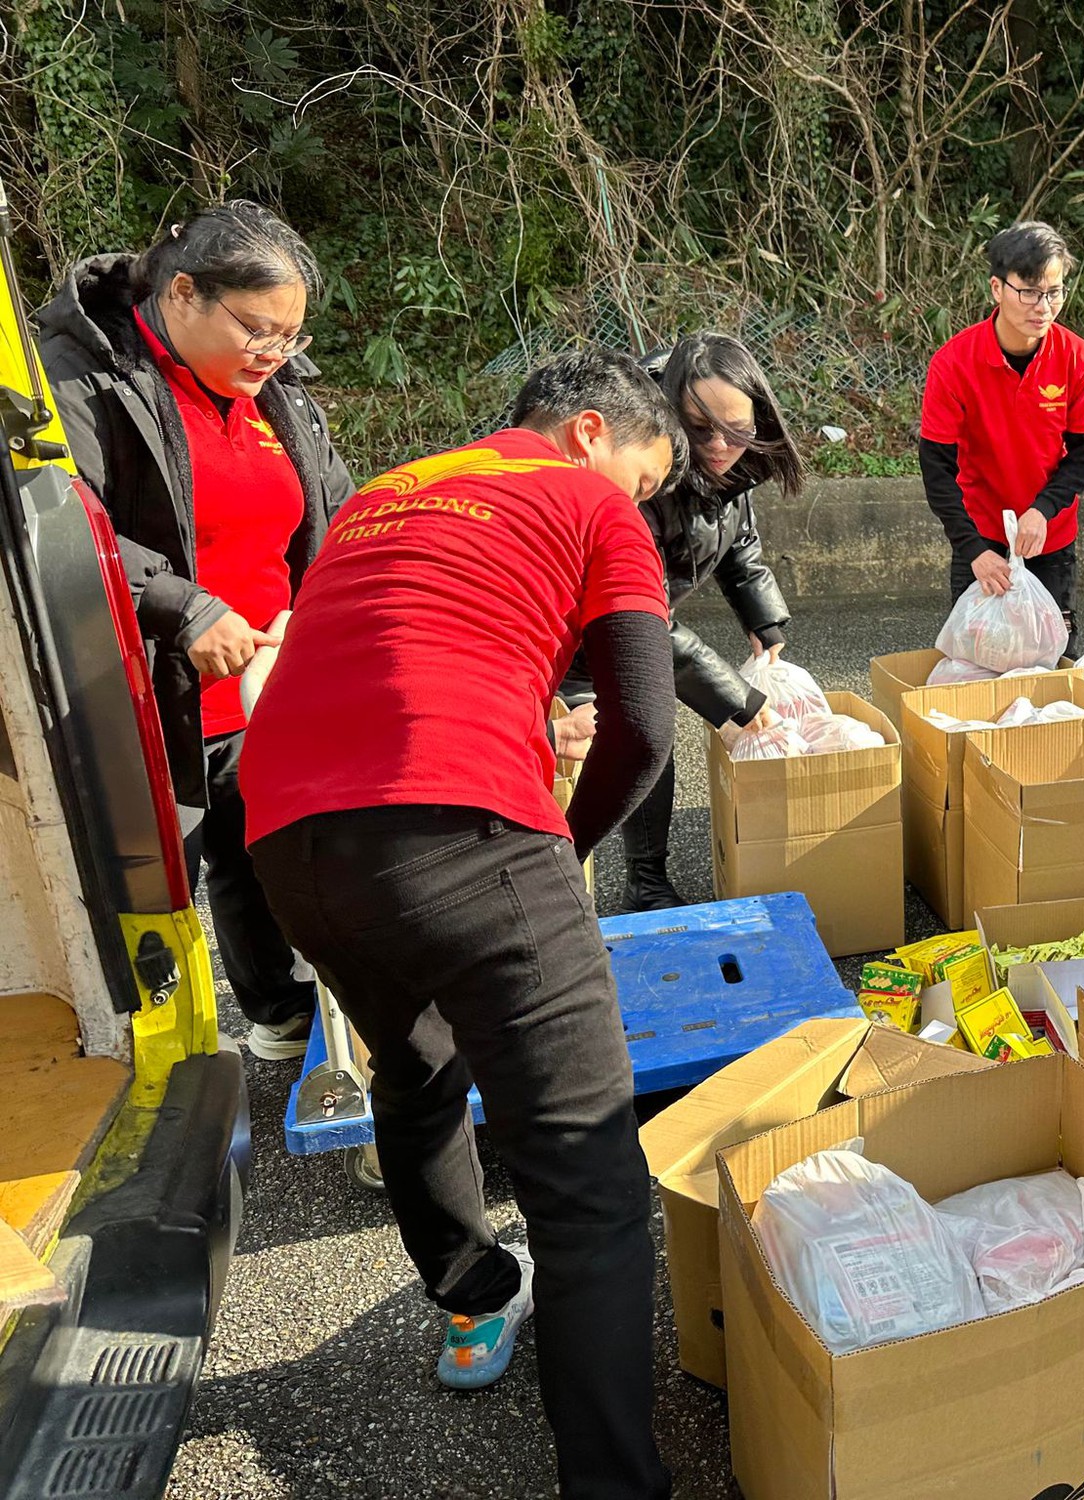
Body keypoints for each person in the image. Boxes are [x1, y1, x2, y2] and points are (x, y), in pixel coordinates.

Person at [239, 351, 681, 1499]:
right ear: (592, 433)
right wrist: (558, 848)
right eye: (647, 478)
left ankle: (475, 1302)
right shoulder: (586, 498)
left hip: (289, 843)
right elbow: (642, 724)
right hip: (465, 832)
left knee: (417, 1063)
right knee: (587, 1184)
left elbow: (406, 655)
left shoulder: (389, 490)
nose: (639, 502)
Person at [35, 201, 355, 1061]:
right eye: (258, 329)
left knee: (266, 852)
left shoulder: (274, 389)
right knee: (160, 882)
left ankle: (279, 1008)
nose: (276, 353)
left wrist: (323, 596)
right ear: (183, 294)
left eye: (289, 336)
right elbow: (63, 521)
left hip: (265, 674)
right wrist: (184, 605)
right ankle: (160, 1067)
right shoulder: (83, 376)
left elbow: (332, 507)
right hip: (143, 687)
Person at [582, 332, 804, 911]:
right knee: (633, 734)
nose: (722, 446)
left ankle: (642, 880)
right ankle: (619, 880)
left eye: (738, 430)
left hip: (647, 616)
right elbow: (642, 612)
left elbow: (739, 541)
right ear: (674, 412)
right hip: (588, 622)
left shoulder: (733, 454)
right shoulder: (639, 467)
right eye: (702, 430)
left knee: (641, 734)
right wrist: (739, 700)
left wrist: (764, 620)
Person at [920, 220, 1084, 658]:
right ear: (996, 289)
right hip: (979, 538)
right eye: (1029, 291)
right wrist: (973, 550)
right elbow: (937, 470)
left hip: (1050, 539)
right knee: (975, 664)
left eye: (1054, 292)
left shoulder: (1078, 358)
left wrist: (1042, 511)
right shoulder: (953, 364)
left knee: (1054, 665)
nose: (1043, 306)